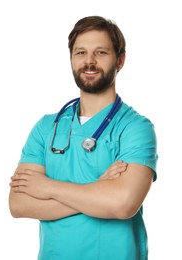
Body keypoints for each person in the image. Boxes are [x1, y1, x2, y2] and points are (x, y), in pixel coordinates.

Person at [9, 15, 158, 260]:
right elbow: (18, 204)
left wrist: (47, 187)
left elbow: (122, 204)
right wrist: (98, 189)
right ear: (71, 59)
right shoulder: (47, 127)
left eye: (101, 52)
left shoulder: (135, 128)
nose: (89, 61)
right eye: (80, 53)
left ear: (120, 60)